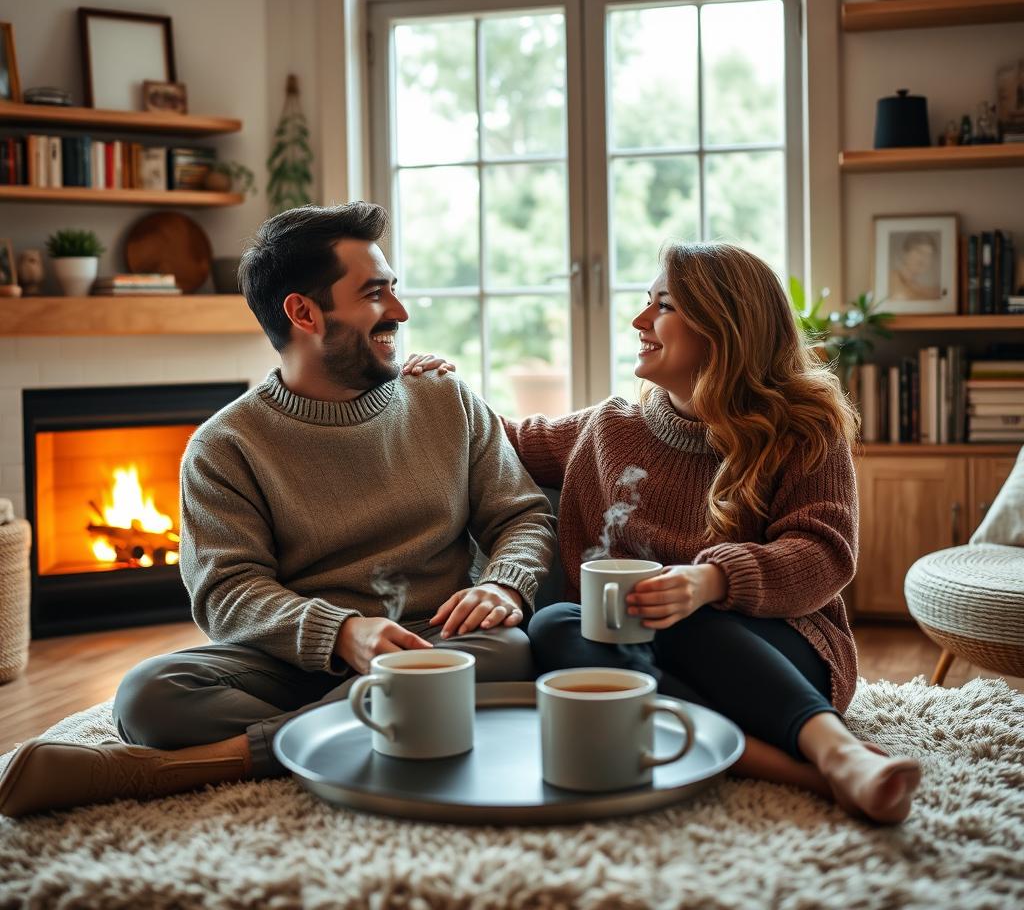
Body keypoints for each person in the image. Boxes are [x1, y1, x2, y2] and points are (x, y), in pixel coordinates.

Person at [0, 202, 554, 819]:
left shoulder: (445, 399)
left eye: (394, 290)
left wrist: (507, 584)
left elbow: (522, 516)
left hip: (427, 642)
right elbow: (226, 592)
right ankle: (363, 726)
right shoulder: (224, 446)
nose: (399, 311)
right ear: (303, 312)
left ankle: (198, 765)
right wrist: (341, 633)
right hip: (288, 659)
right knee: (148, 696)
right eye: (375, 294)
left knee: (506, 650)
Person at [405, 242, 922, 824]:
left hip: (778, 651)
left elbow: (824, 553)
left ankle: (837, 749)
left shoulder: (802, 430)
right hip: (647, 658)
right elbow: (500, 441)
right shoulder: (608, 428)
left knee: (680, 614)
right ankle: (798, 772)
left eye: (664, 307)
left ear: (724, 326)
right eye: (645, 303)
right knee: (555, 627)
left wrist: (709, 581)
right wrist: (441, 389)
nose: (640, 321)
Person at [889, 232, 940, 301]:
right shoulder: (891, 279)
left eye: (928, 255)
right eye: (919, 252)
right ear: (905, 253)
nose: (924, 259)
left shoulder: (915, 285)